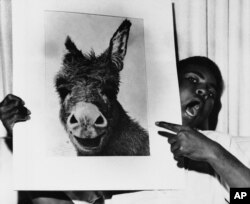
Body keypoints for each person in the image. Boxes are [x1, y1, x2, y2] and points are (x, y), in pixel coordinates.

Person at [1, 56, 250, 204]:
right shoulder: (104, 147)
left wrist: (214, 155)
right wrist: (23, 140)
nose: (203, 91)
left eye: (212, 91)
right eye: (193, 79)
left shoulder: (223, 148)